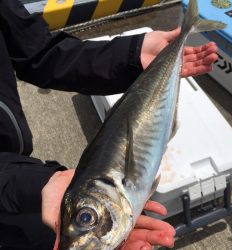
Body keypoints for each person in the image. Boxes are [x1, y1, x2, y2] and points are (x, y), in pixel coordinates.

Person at [0, 0, 218, 249]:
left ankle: (189, 25)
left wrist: (132, 55)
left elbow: (38, 52)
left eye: (87, 218)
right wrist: (32, 184)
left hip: (16, 180)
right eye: (87, 218)